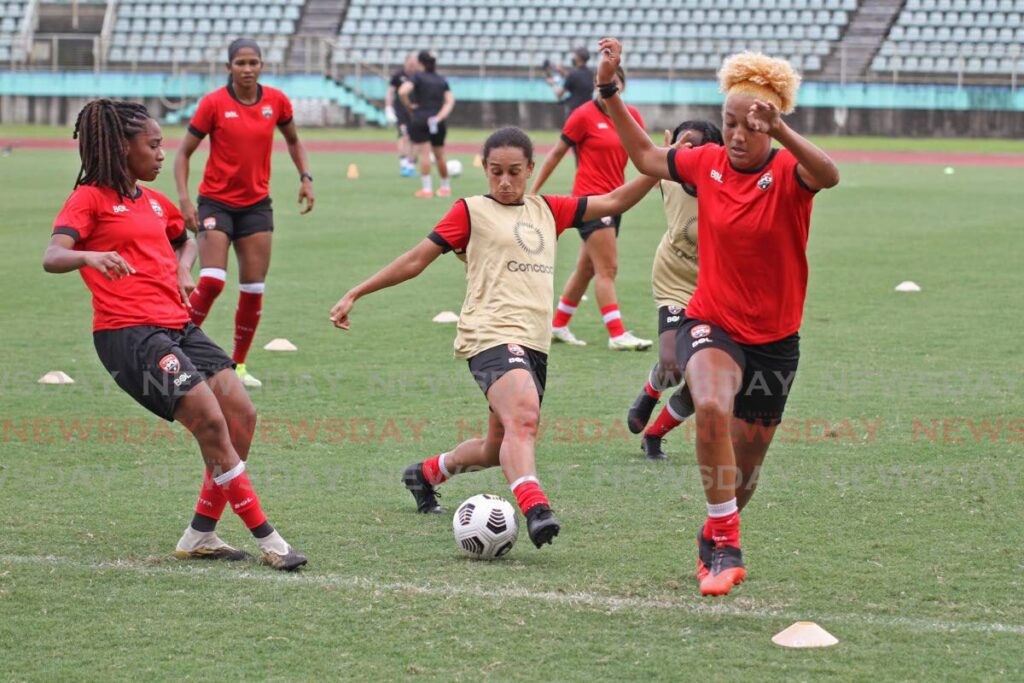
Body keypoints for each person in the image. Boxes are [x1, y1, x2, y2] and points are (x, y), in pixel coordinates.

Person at [329, 127, 659, 548]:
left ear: (530, 170)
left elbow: (615, 201)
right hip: (488, 334)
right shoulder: (470, 211)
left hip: (534, 343)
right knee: (524, 418)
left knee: (495, 446)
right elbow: (416, 260)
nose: (505, 181)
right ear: (484, 169)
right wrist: (357, 291)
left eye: (515, 172)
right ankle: (537, 508)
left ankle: (425, 473)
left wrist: (659, 167)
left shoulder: (548, 210)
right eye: (496, 172)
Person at [597, 38, 839, 596]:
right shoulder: (706, 163)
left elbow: (828, 174)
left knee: (744, 472)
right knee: (707, 401)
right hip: (712, 323)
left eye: (746, 126)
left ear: (768, 126)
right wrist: (609, 92)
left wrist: (780, 132)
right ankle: (728, 542)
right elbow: (644, 158)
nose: (732, 135)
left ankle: (716, 526)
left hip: (776, 341)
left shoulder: (786, 172)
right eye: (727, 122)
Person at [43, 99, 306, 571]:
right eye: (154, 144)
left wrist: (183, 269)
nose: (164, 153)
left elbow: (183, 239)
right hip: (130, 336)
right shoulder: (89, 199)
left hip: (177, 327)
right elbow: (53, 254)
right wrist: (89, 257)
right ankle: (270, 540)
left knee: (241, 415)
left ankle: (200, 533)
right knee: (210, 420)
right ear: (122, 148)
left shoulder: (154, 202)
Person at [174, 37, 315, 389]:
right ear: (229, 68)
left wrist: (305, 177)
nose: (248, 69)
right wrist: (185, 201)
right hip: (215, 204)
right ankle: (175, 349)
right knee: (212, 280)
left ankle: (237, 366)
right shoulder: (214, 104)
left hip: (256, 207)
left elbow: (294, 140)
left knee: (253, 287)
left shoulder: (276, 101)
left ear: (262, 65)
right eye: (241, 63)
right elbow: (182, 153)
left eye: (254, 63)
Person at [530, 65, 652, 351]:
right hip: (590, 202)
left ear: (622, 87)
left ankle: (557, 325)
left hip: (617, 200)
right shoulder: (583, 115)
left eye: (612, 83)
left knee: (587, 268)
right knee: (607, 268)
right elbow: (556, 154)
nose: (605, 88)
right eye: (600, 83)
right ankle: (617, 334)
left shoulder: (631, 116)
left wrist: (665, 176)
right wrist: (533, 192)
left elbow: (646, 154)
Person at [626, 120, 723, 461]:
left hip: (716, 284)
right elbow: (643, 157)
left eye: (694, 146)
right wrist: (664, 154)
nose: (687, 153)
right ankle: (652, 389)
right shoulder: (669, 176)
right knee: (672, 364)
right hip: (674, 276)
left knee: (707, 381)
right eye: (682, 146)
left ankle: (654, 435)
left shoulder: (729, 186)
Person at [399, 50, 456, 199]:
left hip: (420, 118)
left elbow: (402, 91)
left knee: (424, 154)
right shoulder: (441, 80)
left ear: (419, 63)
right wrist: (439, 117)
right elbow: (450, 101)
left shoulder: (417, 76)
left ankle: (427, 189)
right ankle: (445, 188)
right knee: (440, 156)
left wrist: (409, 106)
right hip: (437, 122)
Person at [385, 52, 418, 177]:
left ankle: (411, 164)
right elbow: (390, 91)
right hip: (401, 112)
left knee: (415, 139)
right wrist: (388, 107)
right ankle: (404, 163)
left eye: (414, 64)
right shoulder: (398, 76)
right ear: (406, 62)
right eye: (410, 64)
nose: (412, 66)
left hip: (415, 112)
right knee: (404, 136)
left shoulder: (417, 77)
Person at [546, 47, 595, 120]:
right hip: (589, 111)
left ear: (578, 58)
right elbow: (578, 79)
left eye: (575, 55)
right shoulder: (591, 74)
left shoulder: (573, 75)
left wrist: (552, 84)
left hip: (575, 112)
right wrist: (561, 71)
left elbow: (559, 94)